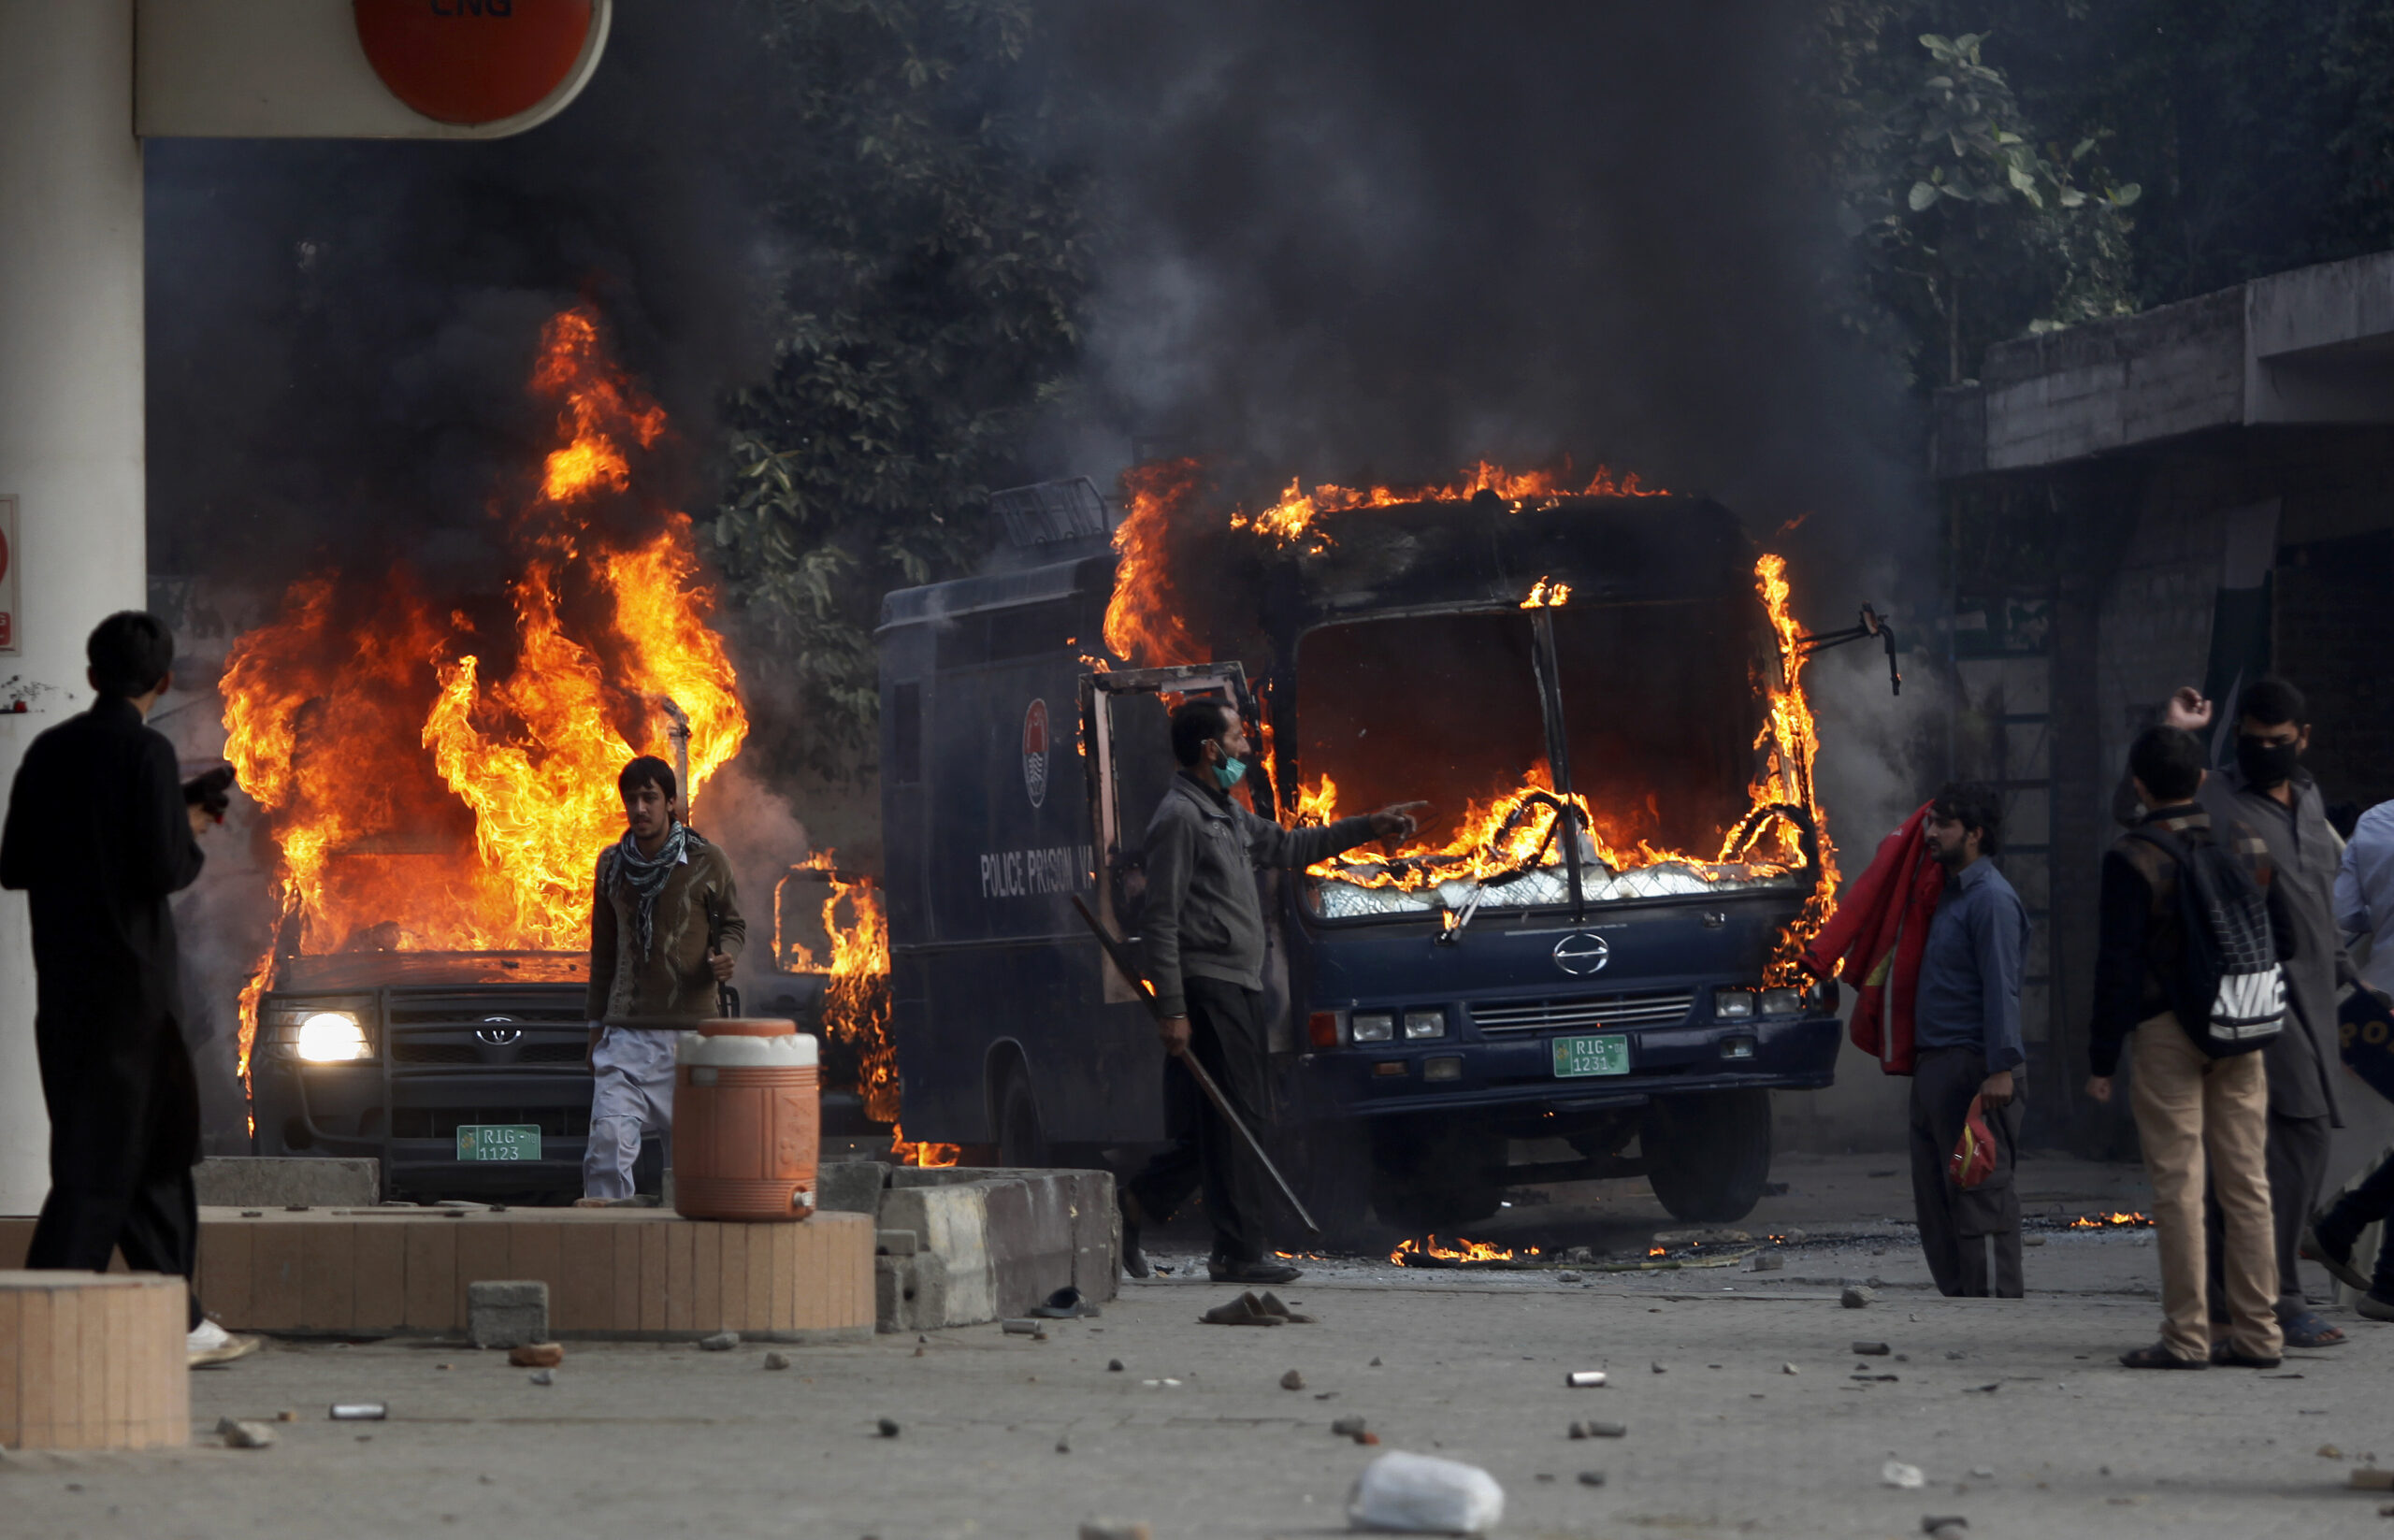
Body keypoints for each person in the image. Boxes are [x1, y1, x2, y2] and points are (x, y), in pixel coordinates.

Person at [0, 612, 256, 1367]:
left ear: (89, 676)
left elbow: (13, 863)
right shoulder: (145, 754)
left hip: (67, 996)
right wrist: (193, 824)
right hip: (134, 1000)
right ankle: (33, 1325)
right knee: (103, 1164)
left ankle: (181, 1320)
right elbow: (164, 870)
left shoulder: (48, 751)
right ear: (164, 681)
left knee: (150, 1156)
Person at [1119, 698, 1421, 1286]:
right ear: (1210, 748)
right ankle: (1237, 1252)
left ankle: (1138, 1203)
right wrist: (1174, 1009)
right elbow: (1160, 919)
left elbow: (1290, 848)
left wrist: (1369, 826)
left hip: (1240, 982)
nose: (1246, 750)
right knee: (1243, 1121)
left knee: (1223, 1120)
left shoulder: (1224, 813)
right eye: (1237, 739)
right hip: (1210, 986)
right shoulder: (1180, 818)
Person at [2125, 682, 2355, 1347]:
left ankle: (2247, 1300)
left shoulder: (2309, 801)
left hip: (2316, 993)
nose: (2263, 753)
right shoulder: (2217, 794)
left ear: (2302, 740)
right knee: (2289, 1140)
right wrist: (2174, 729)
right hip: (2249, 994)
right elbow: (2137, 807)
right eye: (2252, 740)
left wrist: (2353, 977)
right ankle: (2276, 1298)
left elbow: (2316, 901)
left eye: (2277, 743)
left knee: (2284, 1148)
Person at [2088, 726, 2288, 1368]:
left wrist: (2100, 1059)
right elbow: (2285, 934)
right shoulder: (2247, 841)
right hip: (2241, 1026)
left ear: (2140, 785)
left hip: (2167, 1028)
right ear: (2202, 778)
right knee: (2247, 1184)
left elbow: (2116, 965)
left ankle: (2186, 1336)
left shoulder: (2132, 857)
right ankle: (2260, 1333)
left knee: (2178, 1184)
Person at [581, 756, 744, 1202]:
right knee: (607, 1147)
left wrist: (726, 956)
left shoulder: (708, 860)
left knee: (694, 1167)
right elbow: (605, 952)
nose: (640, 809)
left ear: (670, 802)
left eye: (650, 797)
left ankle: (689, 1259)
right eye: (631, 799)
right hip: (626, 1038)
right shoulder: (612, 866)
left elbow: (732, 924)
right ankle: (606, 1249)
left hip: (692, 1039)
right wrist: (595, 1027)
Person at [1907, 781, 2031, 1299]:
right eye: (1931, 821)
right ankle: (1961, 1304)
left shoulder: (1992, 901)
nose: (1931, 833)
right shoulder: (1947, 897)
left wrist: (2000, 1067)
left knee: (1979, 1192)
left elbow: (2001, 986)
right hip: (1937, 1070)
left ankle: (1994, 1313)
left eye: (1944, 824)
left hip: (1976, 1072)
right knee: (1938, 1201)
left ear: (1975, 835)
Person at [2300, 800, 2394, 1322]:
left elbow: (2344, 917)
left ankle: (2344, 1234)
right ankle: (2379, 1274)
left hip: (2378, 1002)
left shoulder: (2377, 823)